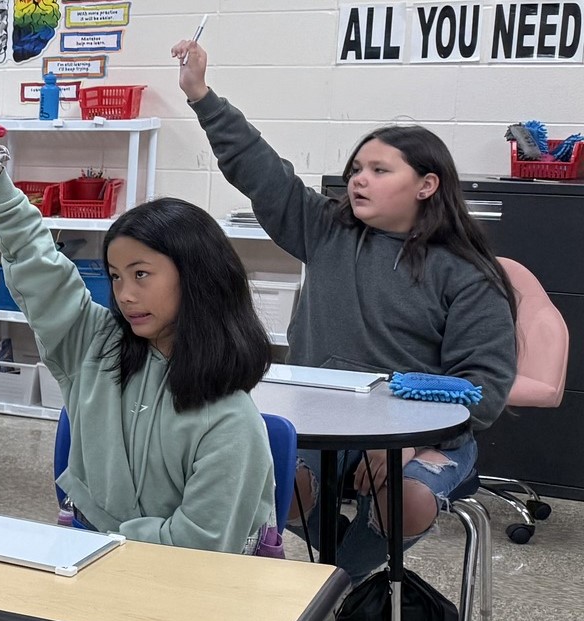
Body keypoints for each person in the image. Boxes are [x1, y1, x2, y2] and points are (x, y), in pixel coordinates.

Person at [0, 71, 279, 621]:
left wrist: (91, 543)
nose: (124, 294)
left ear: (199, 279)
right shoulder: (97, 344)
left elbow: (196, 552)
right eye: (115, 277)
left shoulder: (231, 420)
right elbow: (36, 258)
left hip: (186, 607)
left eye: (142, 276)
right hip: (90, 578)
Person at [176, 40, 517, 576]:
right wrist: (201, 95)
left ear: (427, 185)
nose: (359, 178)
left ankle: (341, 588)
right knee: (274, 484)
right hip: (317, 425)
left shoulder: (467, 273)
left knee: (404, 500)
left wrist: (409, 442)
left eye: (380, 170)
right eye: (357, 168)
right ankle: (337, 580)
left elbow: (485, 385)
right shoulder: (327, 231)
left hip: (422, 435)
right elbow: (260, 169)